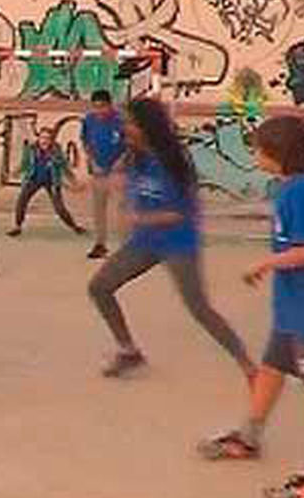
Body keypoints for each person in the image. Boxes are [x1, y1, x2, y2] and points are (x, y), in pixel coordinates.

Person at [196, 116, 304, 498]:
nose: (254, 154)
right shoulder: (292, 188)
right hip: (292, 307)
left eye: (259, 148)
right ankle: (248, 438)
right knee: (271, 369)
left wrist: (266, 264)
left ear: (278, 154)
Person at [88, 98, 254, 381]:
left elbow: (181, 214)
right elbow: (126, 181)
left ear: (147, 126)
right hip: (145, 241)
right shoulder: (134, 155)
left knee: (199, 308)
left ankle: (248, 366)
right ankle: (129, 351)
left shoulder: (174, 161)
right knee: (99, 287)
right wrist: (101, 184)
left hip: (178, 243)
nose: (125, 128)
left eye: (130, 123)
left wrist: (139, 218)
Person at [7, 126, 87, 237]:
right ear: (39, 138)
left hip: (52, 181)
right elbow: (24, 163)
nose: (44, 141)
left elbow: (64, 167)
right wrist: (15, 172)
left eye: (47, 138)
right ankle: (17, 227)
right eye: (42, 138)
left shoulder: (56, 151)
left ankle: (74, 226)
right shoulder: (31, 149)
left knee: (59, 207)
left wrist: (73, 180)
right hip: (33, 179)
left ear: (51, 140)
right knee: (22, 201)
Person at [82, 90, 127, 259]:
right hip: (99, 172)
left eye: (102, 107)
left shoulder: (121, 120)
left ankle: (125, 246)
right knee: (99, 210)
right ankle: (100, 244)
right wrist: (92, 162)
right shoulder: (89, 120)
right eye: (95, 107)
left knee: (121, 210)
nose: (98, 111)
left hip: (119, 173)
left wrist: (120, 163)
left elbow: (131, 145)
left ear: (110, 105)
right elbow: (86, 142)